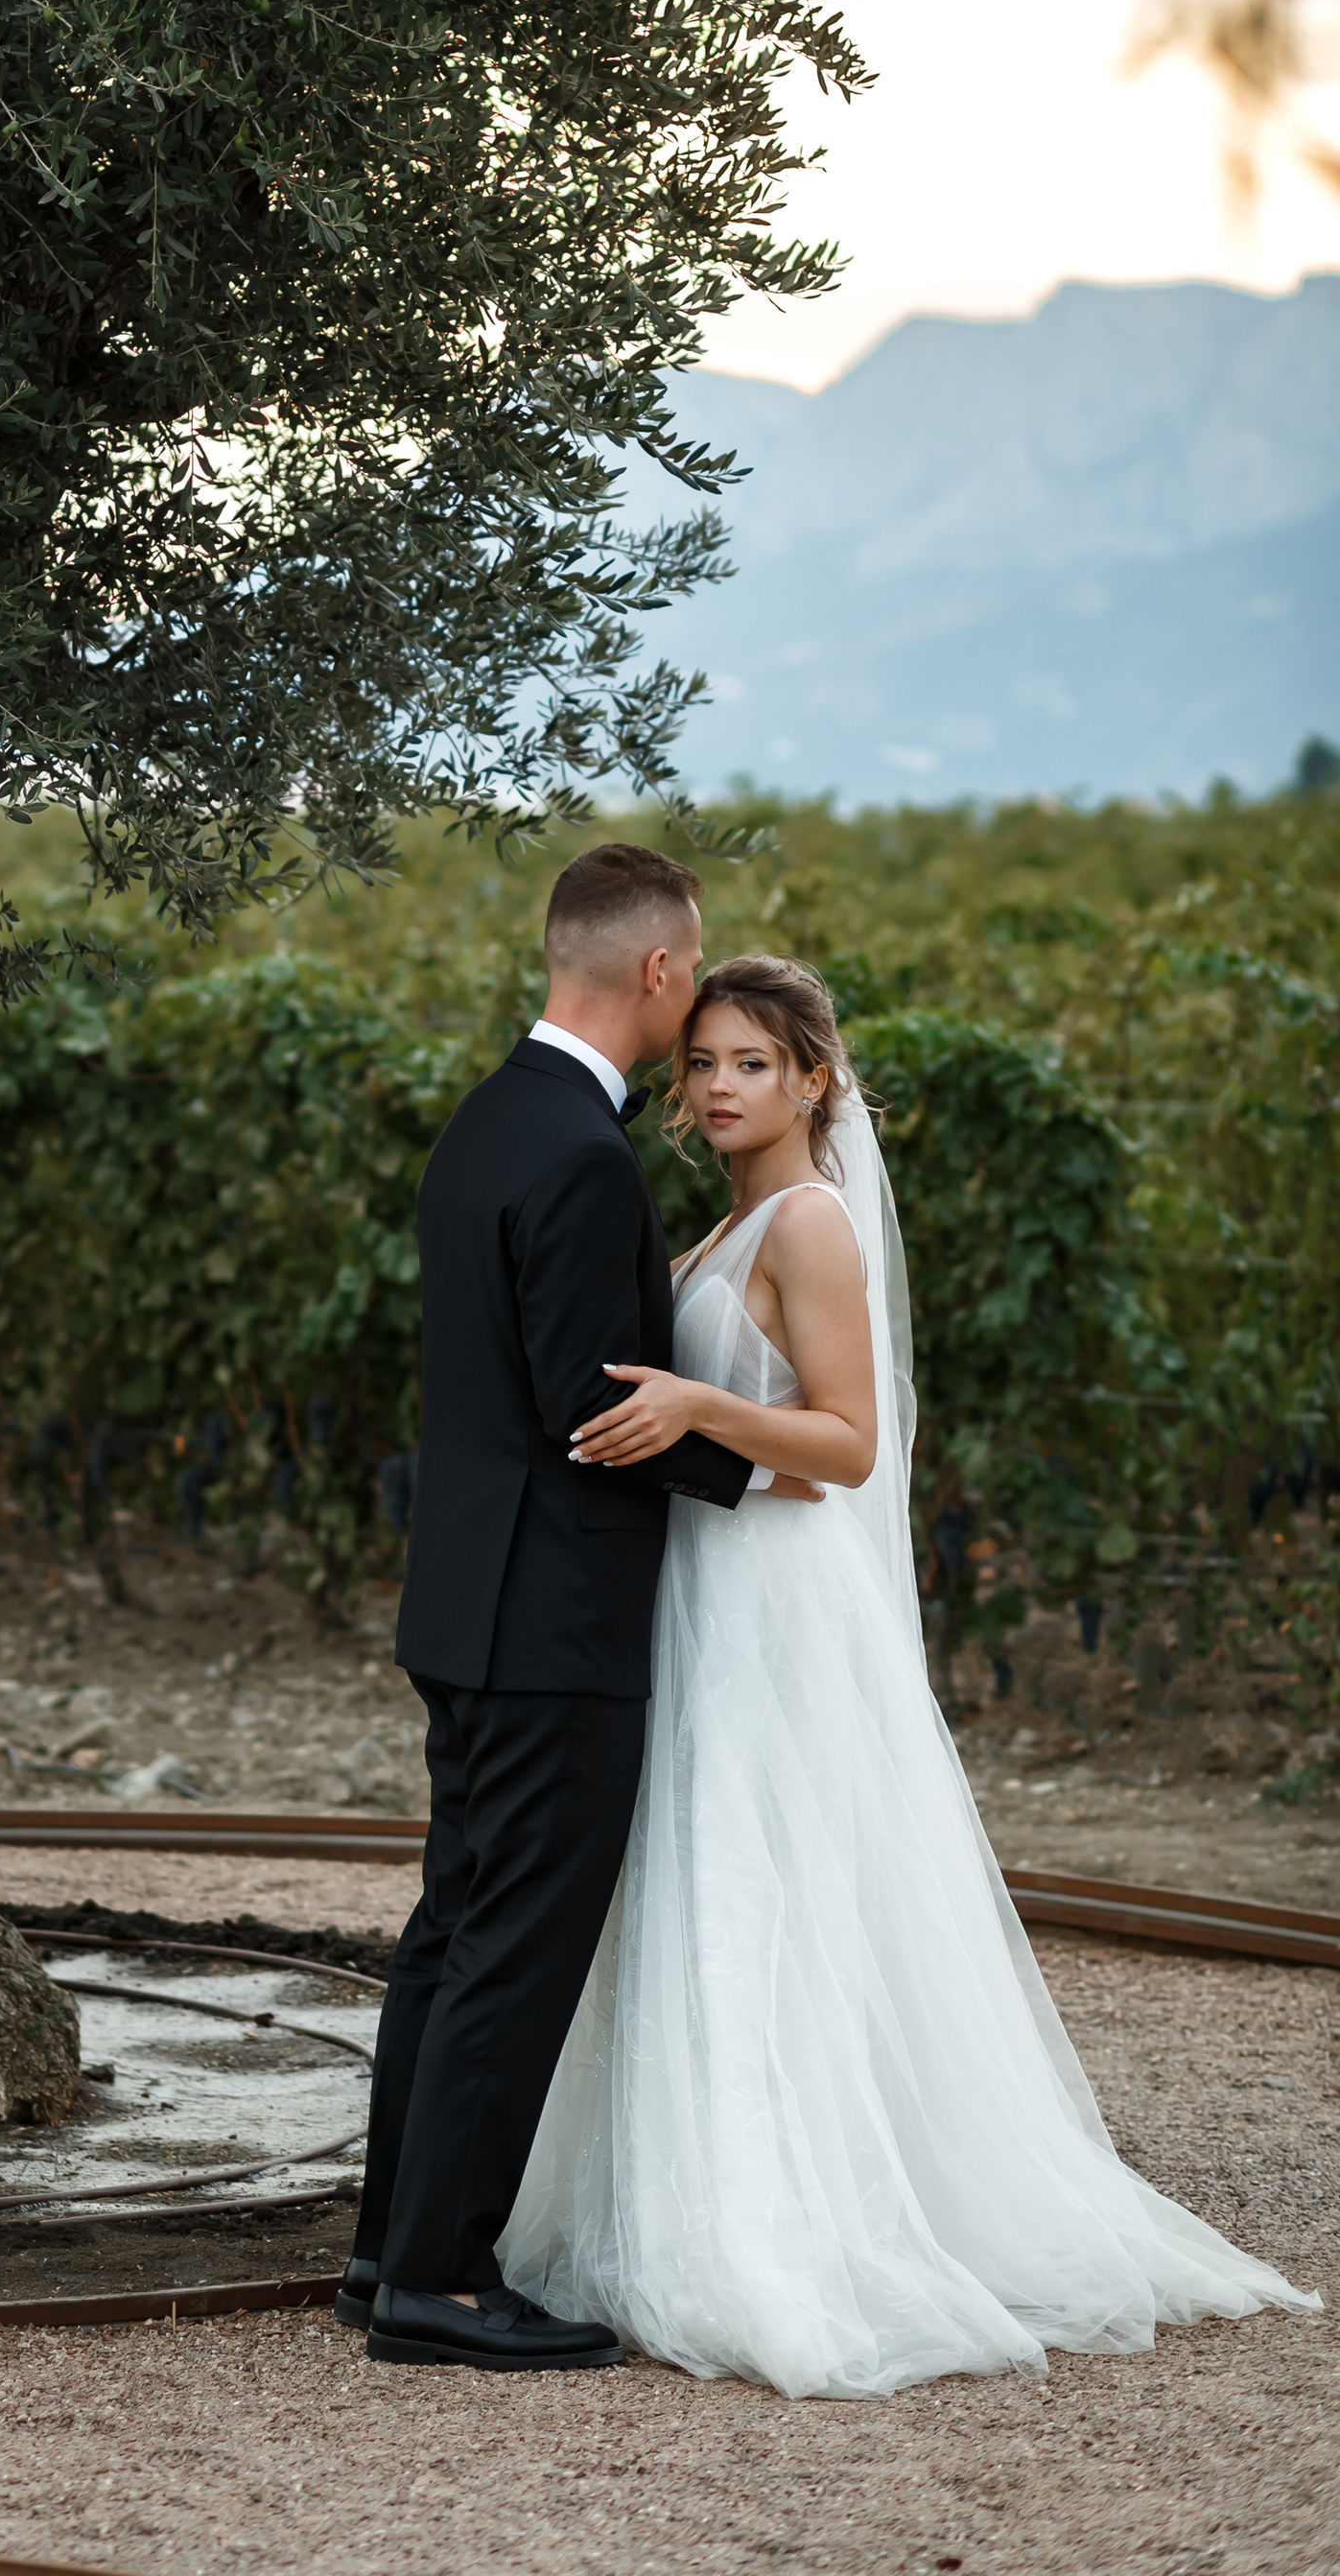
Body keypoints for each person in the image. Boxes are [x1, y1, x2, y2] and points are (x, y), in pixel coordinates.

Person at [502, 954, 1320, 2396]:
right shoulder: (727, 1220)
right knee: (707, 1869)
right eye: (700, 1063)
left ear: (815, 1078)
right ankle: (695, 2179)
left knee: (770, 1875)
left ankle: (790, 2212)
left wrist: (696, 1403)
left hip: (770, 1599)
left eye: (750, 1063)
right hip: (706, 1584)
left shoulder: (807, 1224)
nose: (715, 1087)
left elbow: (851, 1445)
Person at [343, 841, 764, 2374]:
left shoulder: (485, 1121)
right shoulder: (582, 1155)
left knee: (453, 1934)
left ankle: (389, 2248)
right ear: (657, 972)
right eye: (691, 973)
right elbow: (601, 1411)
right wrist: (788, 1462)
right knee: (513, 1948)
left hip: (470, 1599)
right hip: (551, 1623)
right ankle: (440, 2285)